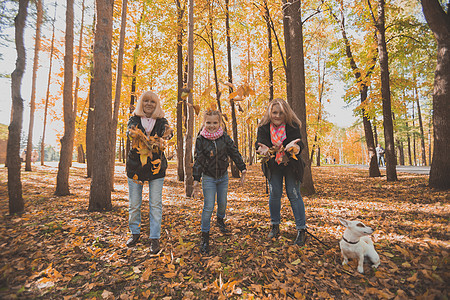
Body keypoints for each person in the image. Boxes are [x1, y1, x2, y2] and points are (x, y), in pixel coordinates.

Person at [193, 109, 247, 254]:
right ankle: (205, 237)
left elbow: (234, 152)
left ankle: (220, 220)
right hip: (209, 177)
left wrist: (242, 168)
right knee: (208, 206)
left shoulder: (224, 138)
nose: (211, 125)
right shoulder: (201, 139)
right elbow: (198, 160)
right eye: (208, 122)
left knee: (222, 203)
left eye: (215, 122)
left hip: (223, 177)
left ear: (220, 123)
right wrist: (196, 179)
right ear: (204, 123)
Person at [125, 91, 173, 254]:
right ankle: (135, 233)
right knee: (134, 203)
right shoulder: (134, 119)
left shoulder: (161, 121)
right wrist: (132, 133)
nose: (148, 104)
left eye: (152, 102)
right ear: (141, 103)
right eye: (145, 101)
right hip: (136, 167)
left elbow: (168, 132)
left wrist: (168, 134)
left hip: (155, 167)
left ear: (156, 104)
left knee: (155, 204)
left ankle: (154, 238)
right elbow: (129, 131)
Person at [256, 98, 307, 246]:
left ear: (286, 114)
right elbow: (259, 143)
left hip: (291, 165)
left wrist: (293, 147)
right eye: (274, 112)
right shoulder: (264, 127)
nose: (277, 116)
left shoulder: (293, 125)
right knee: (275, 192)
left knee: (294, 193)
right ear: (270, 113)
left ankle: (301, 230)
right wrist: (264, 150)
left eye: (281, 113)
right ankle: (275, 225)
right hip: (274, 165)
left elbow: (299, 144)